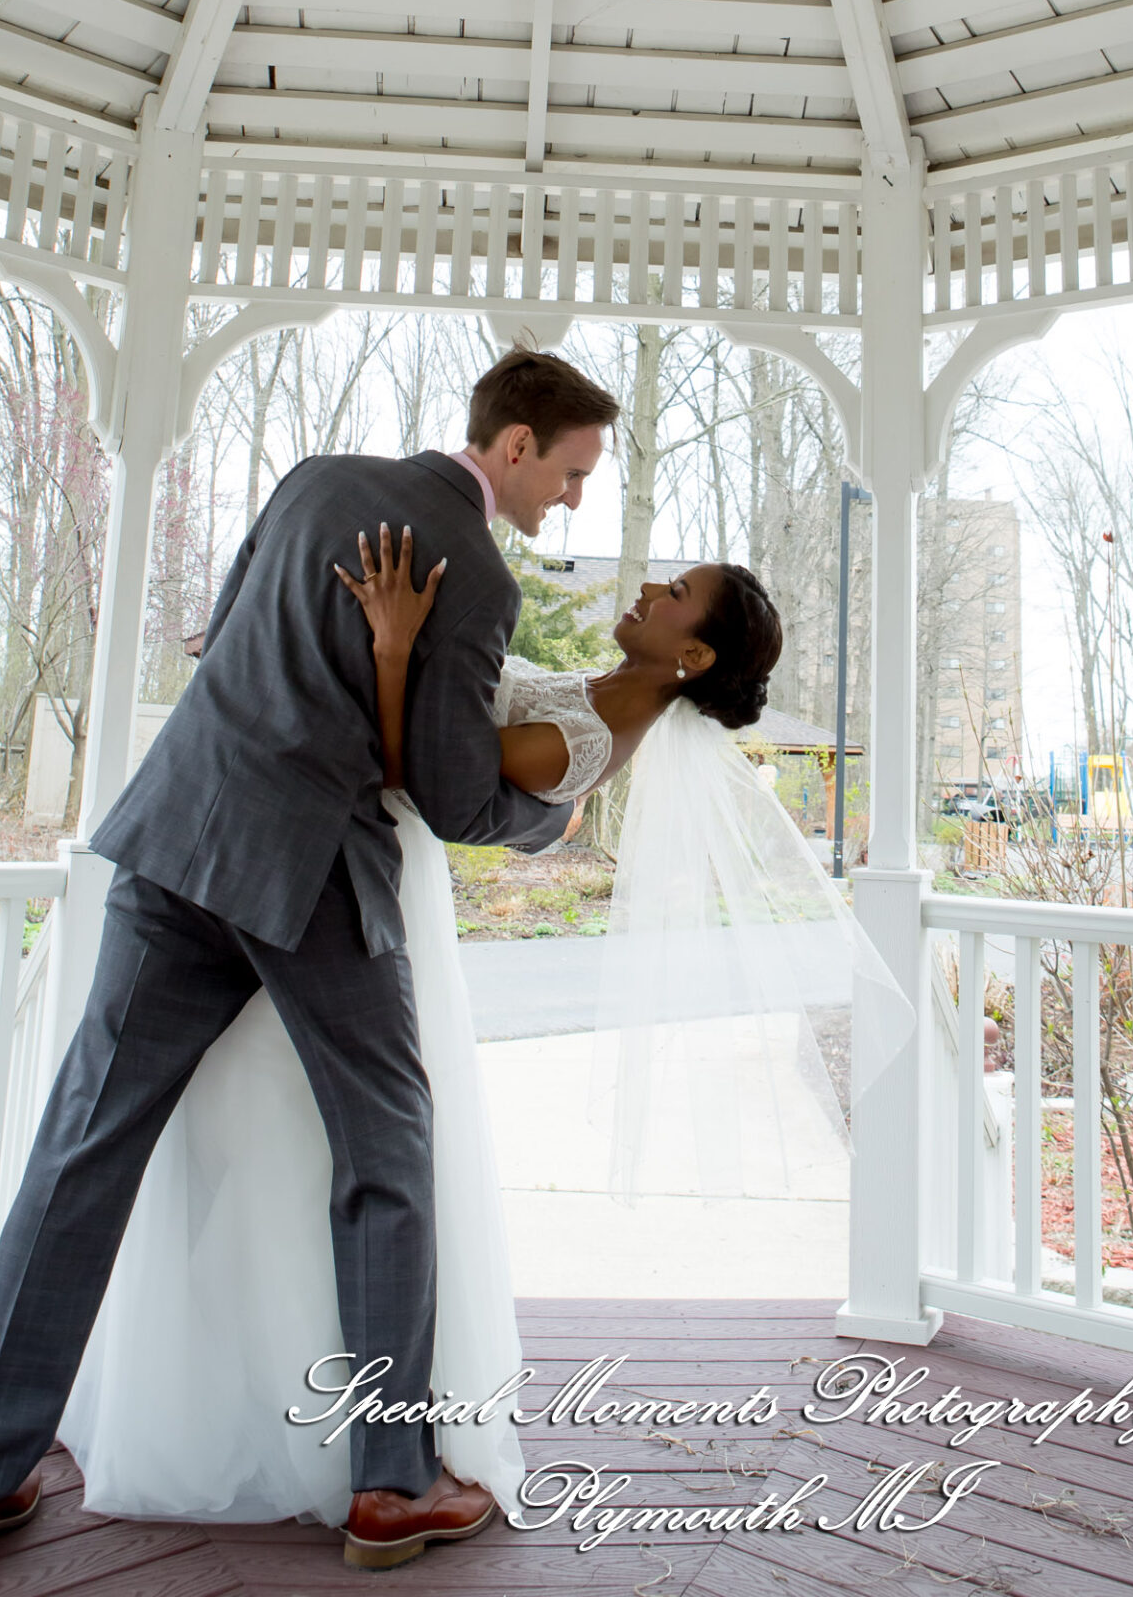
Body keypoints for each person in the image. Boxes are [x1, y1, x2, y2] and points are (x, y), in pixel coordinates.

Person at [0, 348, 620, 1578]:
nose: (571, 497)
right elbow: (454, 794)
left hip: (174, 833)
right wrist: (549, 817)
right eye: (570, 472)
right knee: (388, 1152)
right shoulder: (476, 572)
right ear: (515, 445)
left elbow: (218, 633)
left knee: (82, 1147)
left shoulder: (313, 477)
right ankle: (390, 1483)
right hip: (308, 874)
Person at [47, 543, 785, 1539]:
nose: (652, 587)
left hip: (361, 878)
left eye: (678, 593)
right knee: (262, 1129)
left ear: (693, 657)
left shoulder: (593, 735)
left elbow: (426, 775)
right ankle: (240, 1395)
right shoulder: (600, 689)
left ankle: (344, 1435)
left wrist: (393, 648)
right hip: (313, 852)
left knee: (343, 1147)